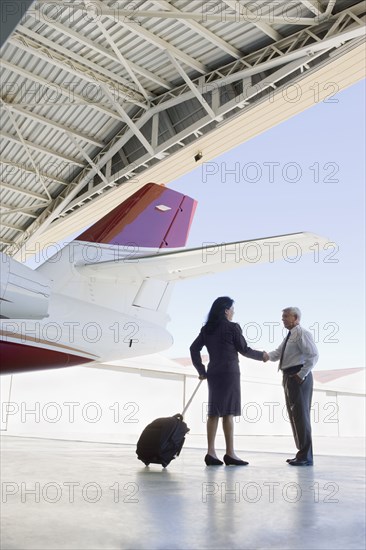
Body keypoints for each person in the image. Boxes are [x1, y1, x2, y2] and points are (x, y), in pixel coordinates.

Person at [190, 297, 266, 466]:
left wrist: (201, 371)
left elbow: (193, 348)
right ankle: (230, 453)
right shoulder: (233, 327)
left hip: (214, 373)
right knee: (228, 413)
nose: (233, 312)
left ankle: (211, 452)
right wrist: (263, 356)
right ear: (226, 310)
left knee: (213, 412)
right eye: (232, 309)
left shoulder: (207, 329)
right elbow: (244, 350)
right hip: (229, 372)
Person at [263, 307, 318, 466]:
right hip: (288, 376)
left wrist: (301, 375)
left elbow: (313, 355)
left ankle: (306, 457)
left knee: (301, 416)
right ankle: (301, 454)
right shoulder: (290, 335)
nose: (283, 319)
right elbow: (278, 353)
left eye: (286, 316)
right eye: (283, 316)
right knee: (295, 417)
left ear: (296, 318)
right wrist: (264, 356)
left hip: (297, 376)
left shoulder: (301, 333)